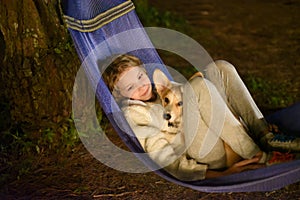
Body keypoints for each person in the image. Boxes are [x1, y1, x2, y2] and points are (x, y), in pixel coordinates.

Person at [101, 54, 299, 180]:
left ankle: (264, 134)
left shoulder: (162, 86)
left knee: (219, 68)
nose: (141, 86)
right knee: (196, 87)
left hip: (218, 132)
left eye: (139, 77)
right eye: (130, 87)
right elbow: (167, 159)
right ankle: (259, 155)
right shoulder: (135, 114)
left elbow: (205, 104)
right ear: (120, 95)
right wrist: (220, 174)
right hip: (203, 151)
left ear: (145, 71)